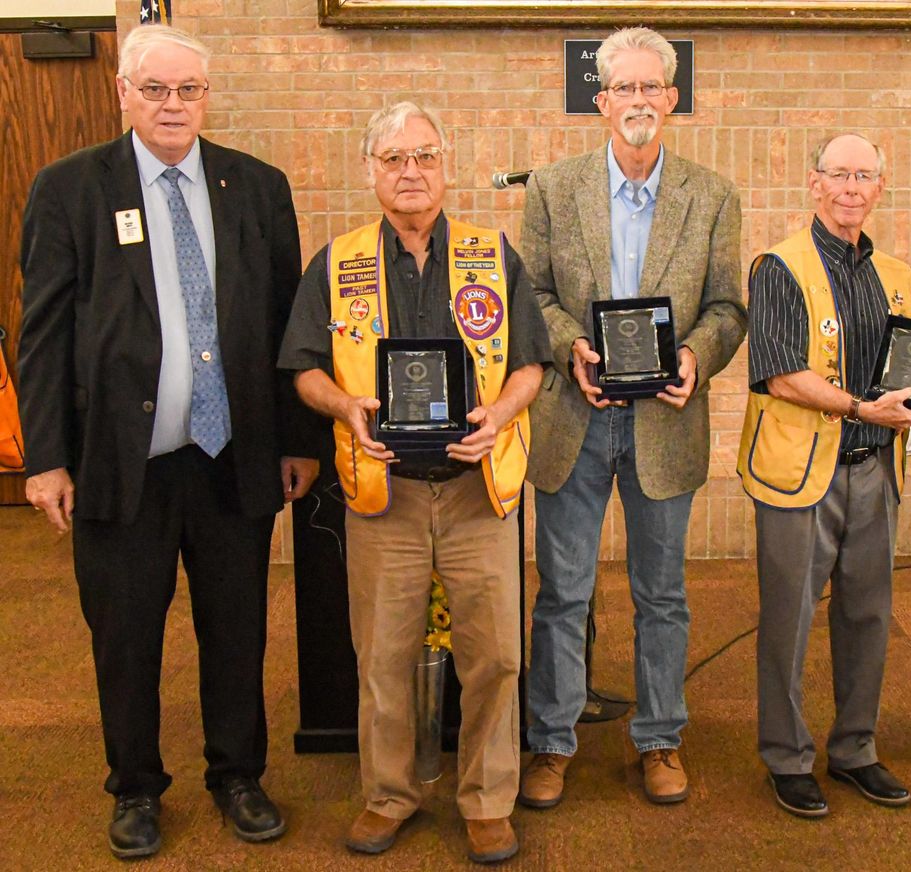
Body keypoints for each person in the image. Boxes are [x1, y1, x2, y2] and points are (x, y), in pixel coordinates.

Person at [18, 24, 317, 859]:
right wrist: (46, 457)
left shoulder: (257, 187)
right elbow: (41, 334)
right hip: (121, 464)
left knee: (237, 628)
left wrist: (297, 440)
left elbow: (287, 325)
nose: (173, 105)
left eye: (188, 90)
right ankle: (136, 788)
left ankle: (238, 775)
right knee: (125, 635)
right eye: (155, 89)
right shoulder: (69, 188)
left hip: (231, 457)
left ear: (206, 96)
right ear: (123, 92)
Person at [278, 101, 550, 864]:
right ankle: (389, 795)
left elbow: (531, 363)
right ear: (370, 170)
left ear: (445, 167)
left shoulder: (493, 256)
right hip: (384, 494)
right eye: (394, 158)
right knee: (383, 657)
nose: (411, 172)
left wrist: (500, 414)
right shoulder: (337, 264)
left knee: (496, 656)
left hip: (477, 490)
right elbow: (303, 368)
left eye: (425, 156)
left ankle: (488, 800)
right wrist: (344, 407)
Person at [519, 26, 746, 808]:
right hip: (574, 417)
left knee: (662, 595)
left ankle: (659, 739)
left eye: (652, 86)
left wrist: (697, 358)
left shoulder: (712, 196)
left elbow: (728, 307)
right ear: (602, 100)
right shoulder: (552, 189)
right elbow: (532, 296)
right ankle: (551, 743)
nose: (639, 99)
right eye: (625, 87)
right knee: (562, 592)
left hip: (665, 422)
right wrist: (570, 348)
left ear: (672, 98)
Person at [737, 133, 911, 818]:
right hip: (800, 474)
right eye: (839, 174)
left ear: (880, 187)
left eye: (865, 176)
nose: (852, 188)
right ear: (814, 183)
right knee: (788, 620)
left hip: (875, 469)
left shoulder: (897, 274)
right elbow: (779, 374)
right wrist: (860, 408)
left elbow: (906, 361)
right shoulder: (779, 267)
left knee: (869, 615)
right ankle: (787, 757)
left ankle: (855, 749)